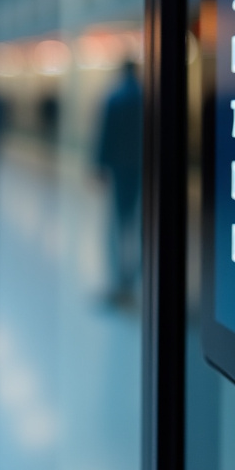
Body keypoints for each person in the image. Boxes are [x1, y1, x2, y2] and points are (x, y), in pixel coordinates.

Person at [94, 59, 143, 306]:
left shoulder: (114, 98)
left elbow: (105, 135)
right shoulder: (147, 98)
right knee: (137, 224)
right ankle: (132, 279)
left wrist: (100, 166)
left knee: (116, 224)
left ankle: (117, 281)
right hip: (141, 170)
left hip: (120, 170)